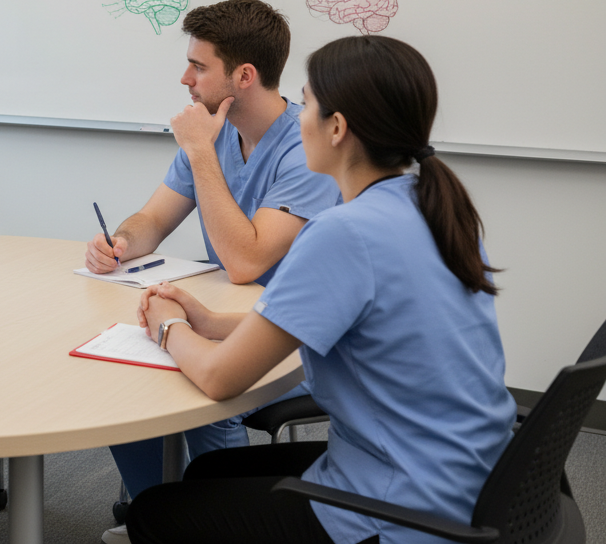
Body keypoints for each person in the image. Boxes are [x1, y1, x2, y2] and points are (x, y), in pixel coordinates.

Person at [125, 34, 515, 544]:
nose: (296, 117)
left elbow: (220, 379)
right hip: (474, 481)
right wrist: (211, 322)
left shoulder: (344, 233)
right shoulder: (434, 207)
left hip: (400, 511)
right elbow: (342, 320)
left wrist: (168, 325)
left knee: (155, 513)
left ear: (337, 128)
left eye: (305, 104)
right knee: (208, 473)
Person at [85, 0, 339, 544]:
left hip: (289, 337)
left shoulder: (307, 148)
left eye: (198, 67)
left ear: (243, 76)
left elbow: (246, 263)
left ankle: (207, 528)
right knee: (125, 379)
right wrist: (122, 242)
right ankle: (157, 516)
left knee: (205, 400)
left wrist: (201, 152)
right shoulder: (212, 135)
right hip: (229, 317)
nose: (185, 78)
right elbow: (154, 217)